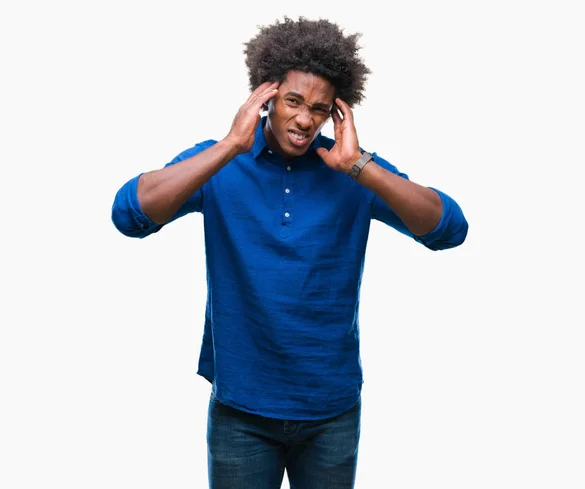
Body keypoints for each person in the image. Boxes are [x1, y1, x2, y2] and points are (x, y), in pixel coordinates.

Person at [112, 16, 468, 489]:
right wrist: (230, 146)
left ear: (334, 114)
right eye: (293, 101)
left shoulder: (353, 173)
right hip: (242, 409)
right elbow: (129, 215)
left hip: (330, 411)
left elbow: (449, 229)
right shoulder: (220, 163)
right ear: (267, 97)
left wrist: (361, 167)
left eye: (319, 109)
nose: (304, 119)